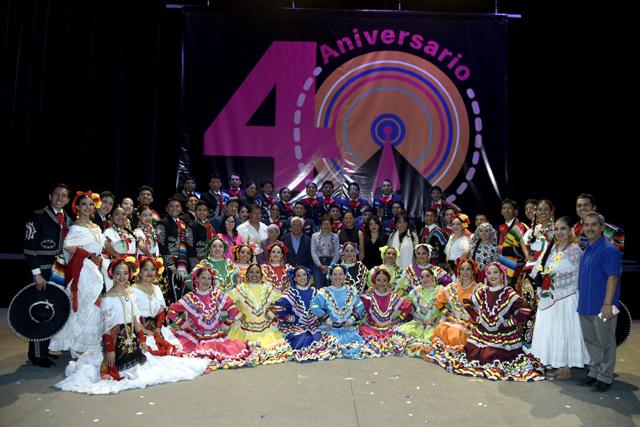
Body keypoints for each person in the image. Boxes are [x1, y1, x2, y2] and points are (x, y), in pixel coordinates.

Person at [55, 256, 209, 394]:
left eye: (124, 273)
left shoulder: (129, 295)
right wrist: (110, 350)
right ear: (112, 275)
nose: (122, 277)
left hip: (133, 338)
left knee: (147, 365)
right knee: (122, 368)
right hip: (116, 341)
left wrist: (141, 339)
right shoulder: (109, 298)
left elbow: (136, 320)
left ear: (129, 275)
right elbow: (107, 327)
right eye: (118, 274)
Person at [432, 262, 544, 381]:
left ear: (502, 275)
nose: (492, 276)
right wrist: (478, 318)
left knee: (492, 356)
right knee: (472, 353)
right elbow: (467, 303)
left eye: (495, 272)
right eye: (489, 273)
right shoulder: (483, 292)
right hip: (483, 333)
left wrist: (509, 322)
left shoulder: (508, 292)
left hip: (503, 336)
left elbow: (525, 309)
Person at [529, 216, 589, 380]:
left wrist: (554, 279)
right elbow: (540, 269)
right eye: (556, 229)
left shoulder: (575, 249)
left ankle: (567, 367)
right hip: (550, 297)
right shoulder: (552, 248)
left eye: (563, 228)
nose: (559, 232)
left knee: (565, 331)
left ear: (570, 230)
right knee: (554, 331)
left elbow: (577, 274)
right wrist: (544, 278)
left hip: (567, 297)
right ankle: (557, 363)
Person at [168, 264, 255, 370]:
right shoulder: (190, 297)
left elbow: (232, 309)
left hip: (216, 335)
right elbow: (172, 312)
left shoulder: (217, 294)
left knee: (233, 351)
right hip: (196, 336)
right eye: (203, 278)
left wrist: (226, 323)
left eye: (209, 278)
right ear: (196, 280)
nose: (206, 281)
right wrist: (183, 323)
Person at [49, 191, 105, 358]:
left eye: (90, 204)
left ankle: (86, 344)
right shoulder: (75, 227)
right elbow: (67, 246)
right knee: (80, 305)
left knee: (93, 306)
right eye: (84, 204)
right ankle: (63, 342)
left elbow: (100, 247)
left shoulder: (95, 227)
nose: (87, 207)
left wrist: (99, 257)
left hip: (95, 269)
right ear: (77, 207)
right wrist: (88, 255)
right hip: (82, 270)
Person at [23, 183, 72, 367]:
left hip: (60, 272)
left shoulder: (68, 219)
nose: (60, 198)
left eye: (64, 195)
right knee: (39, 311)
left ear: (67, 200)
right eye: (57, 194)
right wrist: (36, 274)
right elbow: (29, 248)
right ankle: (36, 354)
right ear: (50, 196)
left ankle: (45, 350)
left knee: (52, 311)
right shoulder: (37, 216)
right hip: (43, 272)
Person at [577, 212, 622, 392]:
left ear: (602, 227)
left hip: (603, 306)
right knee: (591, 340)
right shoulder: (587, 249)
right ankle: (594, 371)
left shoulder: (610, 249)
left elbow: (613, 278)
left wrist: (607, 304)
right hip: (585, 306)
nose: (589, 228)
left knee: (606, 342)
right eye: (586, 225)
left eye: (593, 225)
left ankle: (605, 376)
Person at [228, 264, 292, 364]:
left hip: (265, 328)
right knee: (239, 350)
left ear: (262, 275)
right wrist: (238, 315)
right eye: (251, 272)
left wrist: (271, 313)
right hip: (245, 329)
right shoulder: (239, 288)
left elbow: (282, 302)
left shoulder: (268, 288)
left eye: (257, 272)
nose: (254, 274)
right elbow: (225, 301)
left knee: (273, 348)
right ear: (247, 274)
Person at [274, 267, 341, 362]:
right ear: (294, 278)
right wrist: (289, 318)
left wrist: (325, 318)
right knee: (301, 340)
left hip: (313, 326)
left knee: (321, 339)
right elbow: (277, 307)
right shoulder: (291, 293)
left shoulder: (314, 292)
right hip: (296, 327)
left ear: (308, 276)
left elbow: (325, 306)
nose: (302, 277)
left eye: (304, 275)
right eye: (298, 275)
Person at [310, 264, 369, 359]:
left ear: (345, 276)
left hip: (347, 329)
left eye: (341, 274)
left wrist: (351, 319)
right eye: (335, 274)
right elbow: (314, 306)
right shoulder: (324, 292)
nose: (338, 277)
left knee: (356, 347)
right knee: (329, 348)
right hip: (330, 330)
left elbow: (360, 306)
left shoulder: (351, 290)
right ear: (330, 276)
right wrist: (326, 318)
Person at [359, 268, 412, 355]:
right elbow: (359, 307)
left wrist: (398, 320)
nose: (381, 283)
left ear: (388, 281)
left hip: (390, 328)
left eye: (384, 280)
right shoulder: (369, 297)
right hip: (372, 328)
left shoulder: (393, 296)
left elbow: (408, 308)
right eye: (378, 280)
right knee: (363, 332)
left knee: (401, 336)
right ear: (374, 281)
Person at [393, 266, 443, 358]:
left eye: (427, 276)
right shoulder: (416, 291)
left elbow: (447, 307)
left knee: (431, 340)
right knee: (400, 334)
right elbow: (404, 303)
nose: (425, 279)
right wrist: (415, 314)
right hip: (418, 323)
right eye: (422, 277)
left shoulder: (440, 290)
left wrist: (438, 318)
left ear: (433, 277)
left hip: (434, 324)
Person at [130, 256, 174, 356]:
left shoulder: (157, 288)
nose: (149, 273)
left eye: (152, 269)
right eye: (145, 269)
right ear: (140, 272)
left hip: (155, 327)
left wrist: (158, 328)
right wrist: (143, 330)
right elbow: (132, 315)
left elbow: (161, 311)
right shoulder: (132, 290)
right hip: (139, 328)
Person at [432, 258, 479, 347]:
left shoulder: (479, 288)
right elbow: (437, 301)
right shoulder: (452, 287)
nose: (465, 272)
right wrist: (447, 313)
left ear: (473, 271)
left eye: (468, 269)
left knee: (455, 335)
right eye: (462, 269)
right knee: (439, 329)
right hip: (453, 320)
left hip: (470, 324)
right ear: (459, 271)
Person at [156, 198, 189, 302]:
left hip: (182, 262)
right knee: (171, 290)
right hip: (169, 264)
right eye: (171, 206)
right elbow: (162, 245)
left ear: (181, 209)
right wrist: (170, 264)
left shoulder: (183, 224)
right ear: (166, 209)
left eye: (177, 206)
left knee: (182, 288)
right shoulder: (162, 223)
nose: (174, 208)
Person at [102, 205, 137, 291]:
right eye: (117, 214)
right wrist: (119, 257)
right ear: (111, 217)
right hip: (117, 268)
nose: (121, 217)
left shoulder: (129, 232)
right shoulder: (109, 231)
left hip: (131, 266)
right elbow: (105, 245)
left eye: (124, 214)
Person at [497, 199, 530, 286]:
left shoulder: (521, 227)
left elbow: (525, 250)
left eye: (509, 208)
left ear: (516, 212)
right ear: (501, 211)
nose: (506, 210)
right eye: (504, 208)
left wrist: (503, 250)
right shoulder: (500, 228)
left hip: (517, 270)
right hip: (501, 269)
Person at [310, 216, 340, 288]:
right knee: (318, 286)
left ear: (332, 225)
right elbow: (313, 252)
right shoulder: (314, 236)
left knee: (331, 286)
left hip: (331, 262)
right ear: (320, 225)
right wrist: (320, 265)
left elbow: (337, 253)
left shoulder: (335, 236)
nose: (326, 226)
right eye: (324, 224)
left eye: (328, 224)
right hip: (318, 264)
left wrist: (330, 266)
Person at [186, 200, 216, 269]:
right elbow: (190, 247)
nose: (202, 212)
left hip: (211, 260)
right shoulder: (191, 226)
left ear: (208, 213)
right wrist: (194, 266)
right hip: (198, 261)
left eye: (204, 210)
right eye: (199, 210)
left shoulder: (211, 228)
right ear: (195, 212)